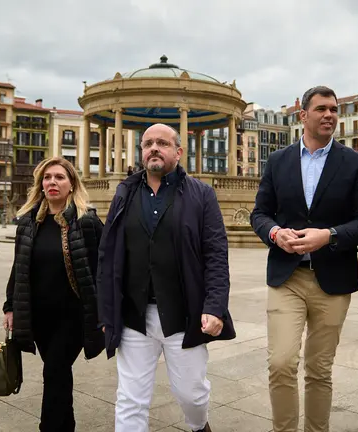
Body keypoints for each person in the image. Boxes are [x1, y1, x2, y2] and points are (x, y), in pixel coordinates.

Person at [251, 85, 358, 432]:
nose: (329, 115)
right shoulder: (278, 161)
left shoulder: (354, 164)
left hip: (332, 281)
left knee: (320, 370)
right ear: (302, 116)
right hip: (286, 277)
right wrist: (276, 233)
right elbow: (260, 214)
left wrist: (330, 235)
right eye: (321, 109)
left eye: (334, 109)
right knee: (280, 363)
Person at [96, 123, 235, 432]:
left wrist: (214, 307)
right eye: (147, 143)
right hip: (134, 315)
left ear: (178, 152)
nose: (154, 148)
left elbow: (216, 254)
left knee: (192, 395)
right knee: (130, 399)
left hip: (185, 314)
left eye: (162, 143)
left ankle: (200, 426)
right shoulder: (125, 192)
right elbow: (108, 254)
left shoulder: (202, 194)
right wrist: (106, 311)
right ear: (141, 151)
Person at [2, 157, 105, 431]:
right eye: (47, 178)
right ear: (40, 184)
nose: (52, 182)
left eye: (59, 177)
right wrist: (10, 306)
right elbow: (19, 267)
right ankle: (66, 425)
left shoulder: (87, 222)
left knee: (54, 371)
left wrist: (106, 311)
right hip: (39, 316)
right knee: (58, 375)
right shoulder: (28, 222)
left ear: (72, 184)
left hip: (72, 316)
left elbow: (104, 269)